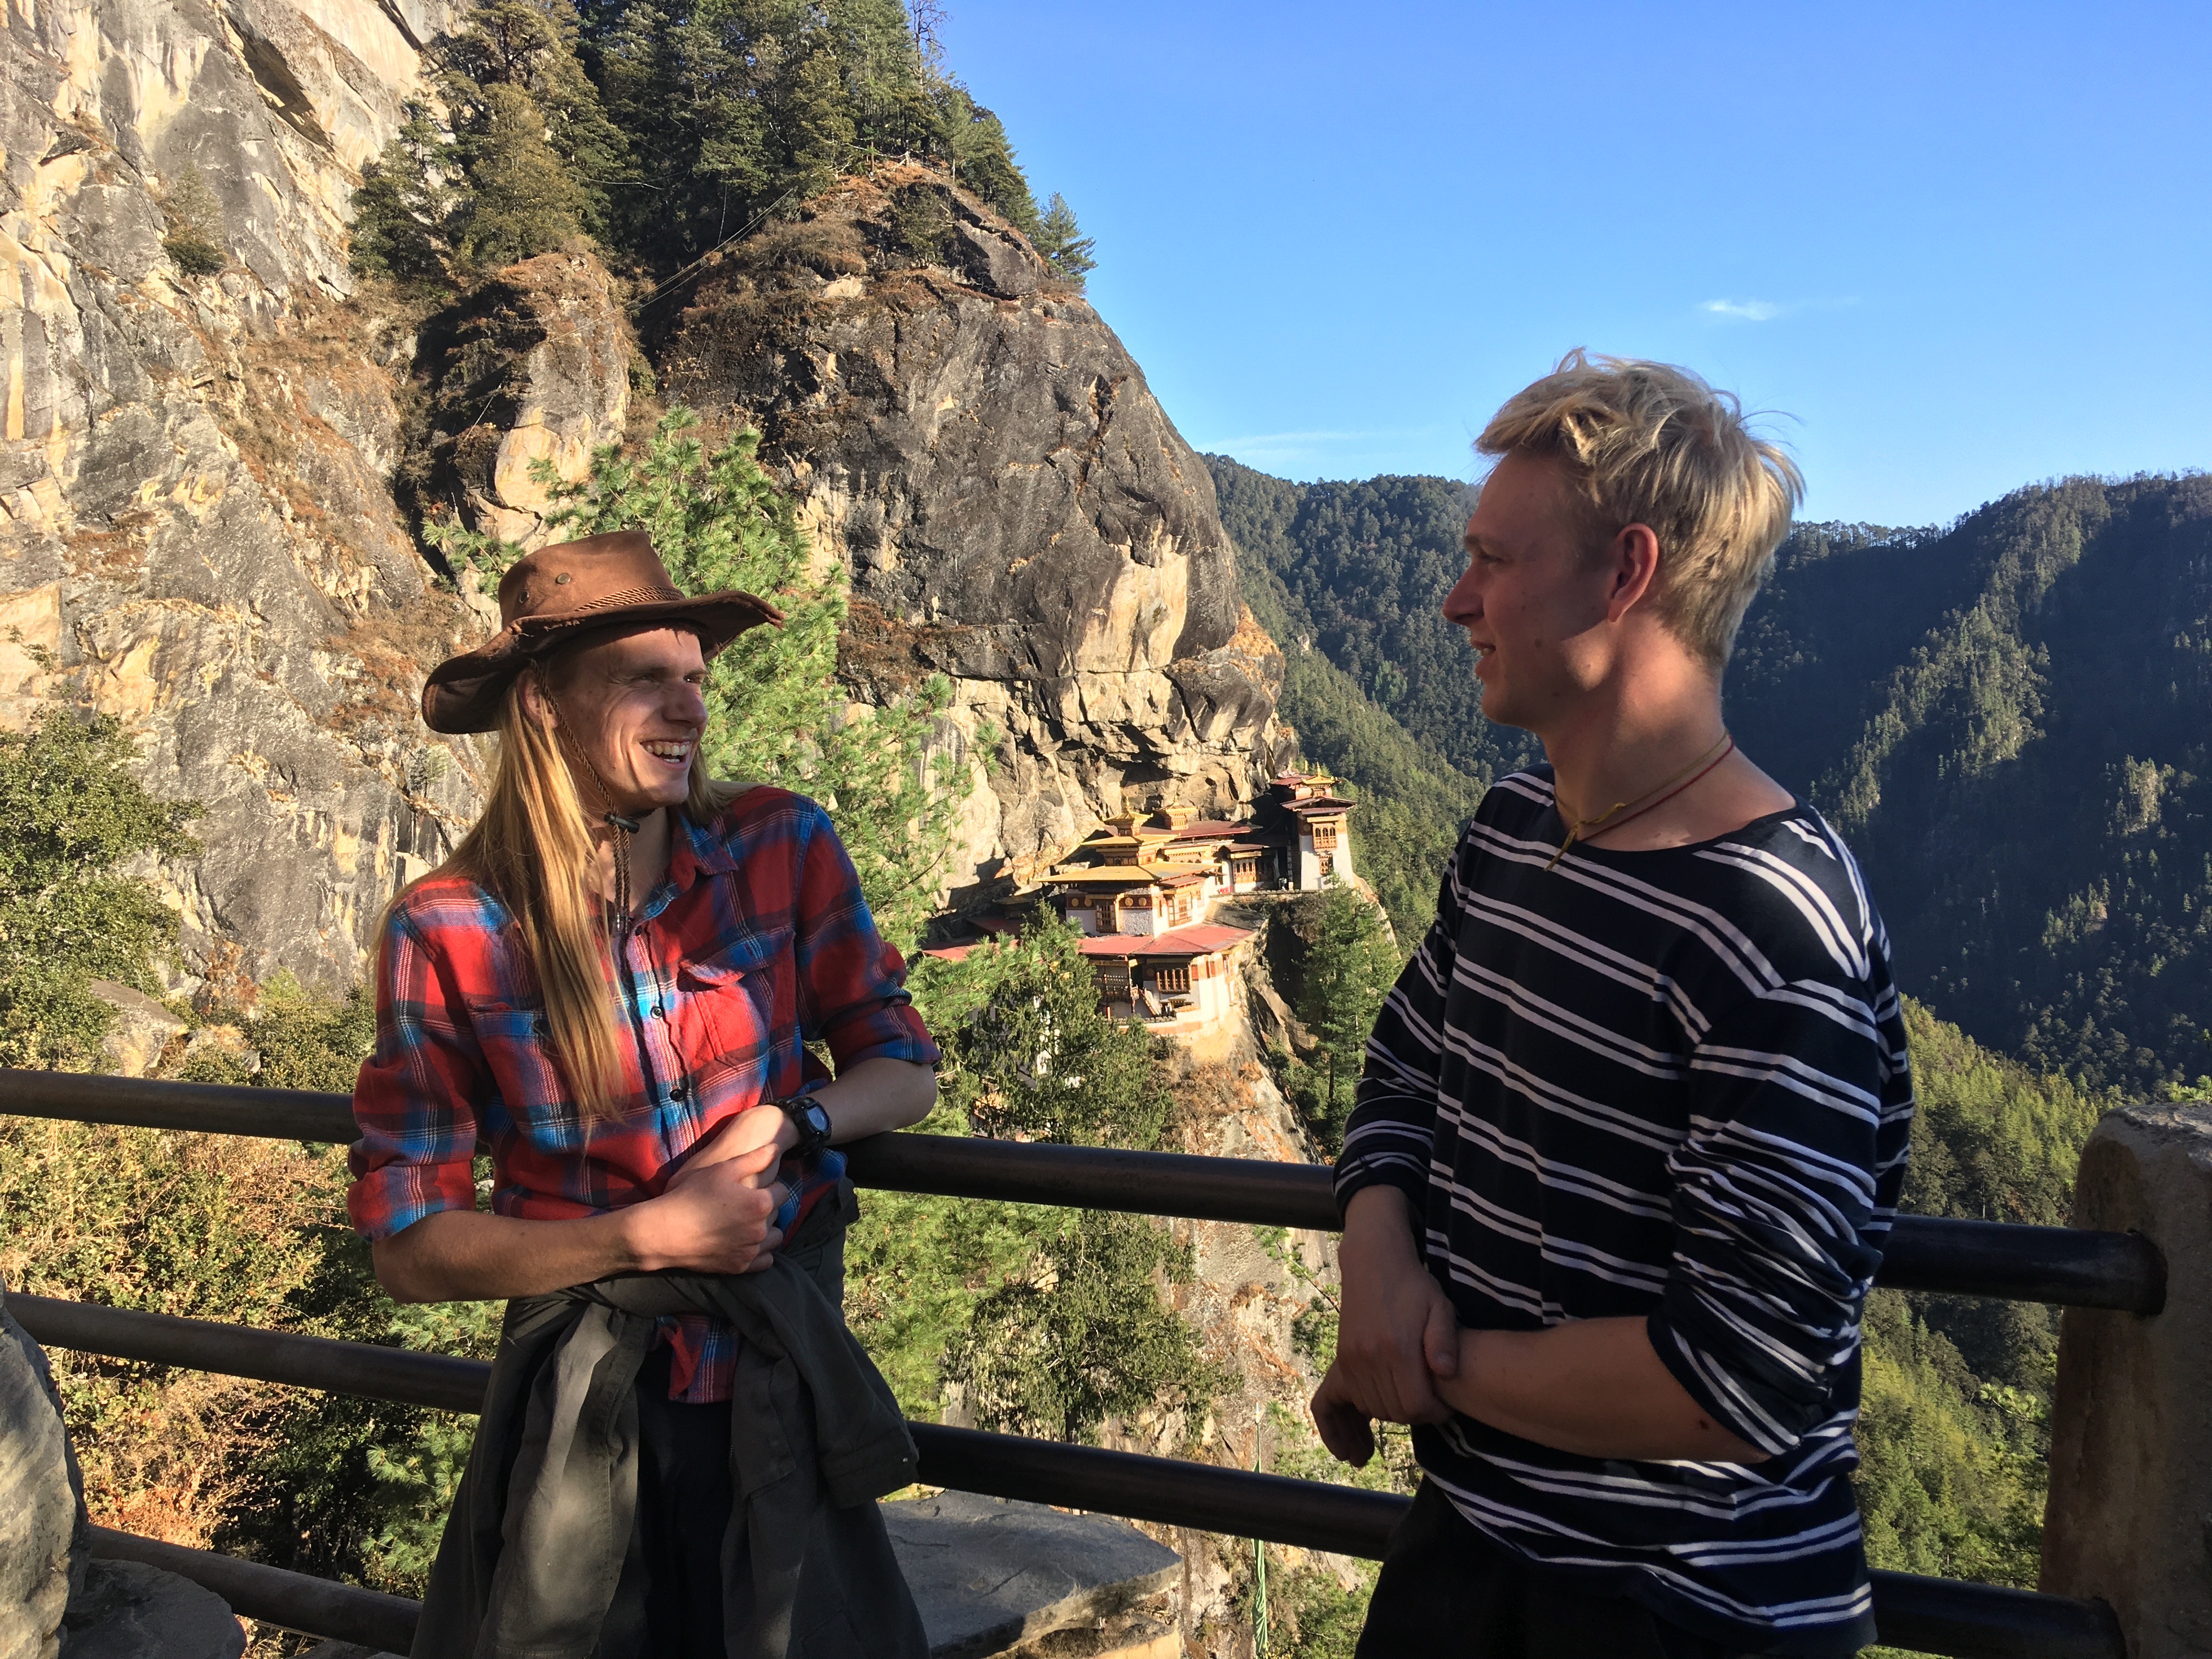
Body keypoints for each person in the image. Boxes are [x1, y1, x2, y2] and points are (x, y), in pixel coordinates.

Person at [1311, 353, 1912, 1659]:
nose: (1456, 600)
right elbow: (1405, 1071)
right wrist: (1378, 1257)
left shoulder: (1770, 922)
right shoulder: (1512, 829)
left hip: (1683, 1610)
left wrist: (1423, 1362)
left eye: (1493, 561)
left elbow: (1739, 1378)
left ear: (1627, 573)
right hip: (1466, 1555)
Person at [346, 530, 939, 1659]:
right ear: (544, 706)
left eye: (697, 679)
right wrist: (646, 1236)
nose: (690, 709)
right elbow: (410, 1253)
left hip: (778, 1391)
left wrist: (790, 1119)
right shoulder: (450, 928)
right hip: (585, 1416)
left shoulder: (780, 844)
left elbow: (903, 1069)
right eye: (645, 680)